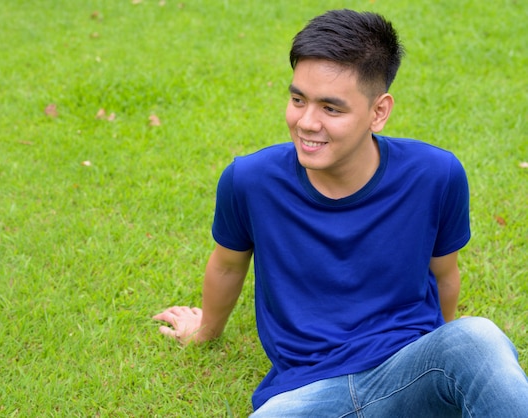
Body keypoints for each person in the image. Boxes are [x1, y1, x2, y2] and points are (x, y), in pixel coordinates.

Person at [153, 9, 528, 417]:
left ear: (378, 112)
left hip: (406, 370)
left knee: (475, 337)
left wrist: (442, 358)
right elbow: (227, 266)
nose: (306, 122)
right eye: (298, 100)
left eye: (331, 109)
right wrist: (204, 331)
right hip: (306, 390)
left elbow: (444, 274)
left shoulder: (435, 175)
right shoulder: (250, 180)